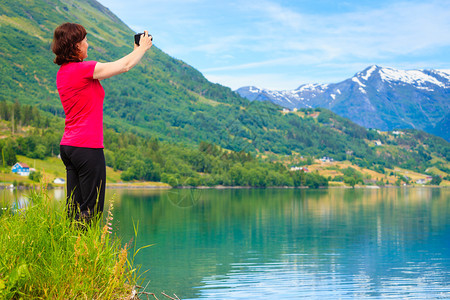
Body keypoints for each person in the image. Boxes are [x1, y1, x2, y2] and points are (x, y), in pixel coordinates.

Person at [51, 23, 152, 222]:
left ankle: (71, 249)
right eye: (85, 41)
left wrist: (135, 51)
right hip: (87, 147)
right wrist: (143, 48)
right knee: (91, 209)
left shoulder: (64, 72)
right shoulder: (82, 70)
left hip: (69, 147)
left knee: (74, 208)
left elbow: (123, 63)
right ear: (75, 45)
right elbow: (124, 66)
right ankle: (85, 251)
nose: (88, 45)